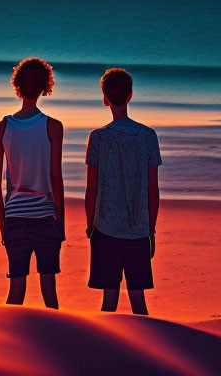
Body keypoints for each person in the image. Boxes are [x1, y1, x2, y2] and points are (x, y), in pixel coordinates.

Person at [0, 58, 65, 308]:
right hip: (45, 216)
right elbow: (55, 179)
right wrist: (60, 223)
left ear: (17, 86)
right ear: (46, 87)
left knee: (16, 292)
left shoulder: (2, 127)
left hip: (14, 217)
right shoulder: (53, 127)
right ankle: (55, 344)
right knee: (49, 294)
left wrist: (3, 225)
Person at [85, 68, 161, 315]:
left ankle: (106, 352)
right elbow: (153, 189)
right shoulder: (148, 136)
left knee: (109, 301)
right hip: (138, 228)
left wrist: (90, 224)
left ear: (105, 98)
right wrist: (151, 229)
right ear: (130, 96)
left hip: (105, 227)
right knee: (138, 300)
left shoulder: (97, 138)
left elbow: (91, 189)